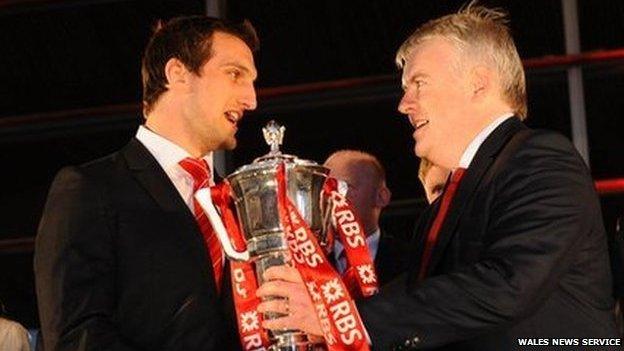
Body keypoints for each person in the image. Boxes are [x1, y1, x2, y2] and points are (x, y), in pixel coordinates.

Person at [256, 4, 619, 350]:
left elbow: (507, 284)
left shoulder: (540, 157)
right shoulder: (449, 199)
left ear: (478, 83)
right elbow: (421, 296)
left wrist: (338, 317)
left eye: (419, 83)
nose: (404, 103)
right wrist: (322, 301)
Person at [35, 16, 258, 350]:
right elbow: (77, 336)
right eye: (235, 74)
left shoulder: (241, 205)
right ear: (177, 74)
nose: (251, 99)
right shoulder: (89, 189)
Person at [324, 150, 408, 285]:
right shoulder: (306, 260)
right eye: (325, 187)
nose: (330, 196)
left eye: (344, 187)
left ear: (381, 197)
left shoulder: (411, 262)